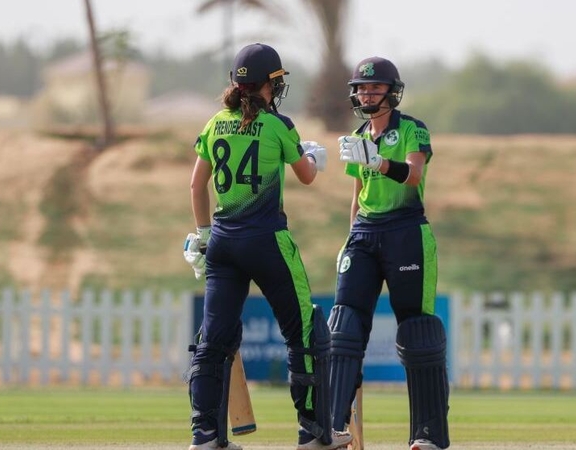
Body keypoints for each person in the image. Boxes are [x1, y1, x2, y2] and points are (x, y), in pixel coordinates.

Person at [182, 43, 352, 450]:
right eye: (277, 81)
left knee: (213, 341)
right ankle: (315, 432)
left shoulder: (214, 124)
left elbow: (195, 184)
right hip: (267, 240)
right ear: (266, 85)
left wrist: (203, 233)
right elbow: (307, 176)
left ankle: (204, 435)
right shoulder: (279, 125)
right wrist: (313, 157)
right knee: (304, 332)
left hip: (222, 243)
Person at [329, 56, 451, 450]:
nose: (366, 94)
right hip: (365, 232)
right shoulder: (358, 135)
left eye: (374, 88)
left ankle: (427, 433)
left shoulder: (412, 129)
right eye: (362, 88)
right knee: (344, 327)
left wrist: (378, 161)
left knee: (417, 331)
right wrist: (349, 239)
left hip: (406, 230)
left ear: (392, 92)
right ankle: (333, 427)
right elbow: (357, 195)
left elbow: (413, 174)